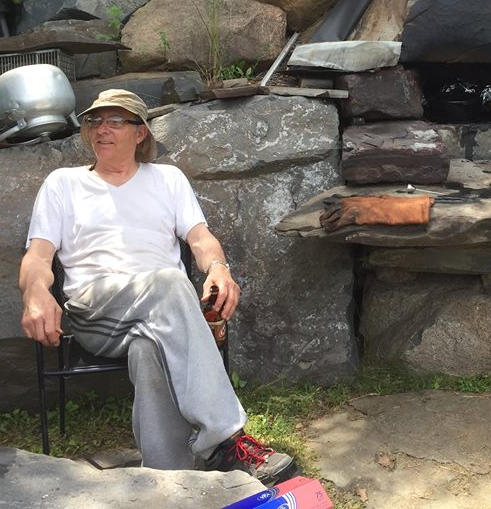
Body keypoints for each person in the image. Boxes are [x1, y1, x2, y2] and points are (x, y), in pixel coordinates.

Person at [18, 89, 297, 485]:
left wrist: (218, 268)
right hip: (95, 310)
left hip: (160, 312)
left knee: (148, 347)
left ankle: (171, 480)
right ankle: (224, 439)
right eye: (95, 121)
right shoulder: (63, 184)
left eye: (116, 121)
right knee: (169, 282)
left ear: (140, 133)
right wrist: (35, 293)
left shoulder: (168, 179)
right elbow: (38, 256)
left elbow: (200, 239)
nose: (102, 129)